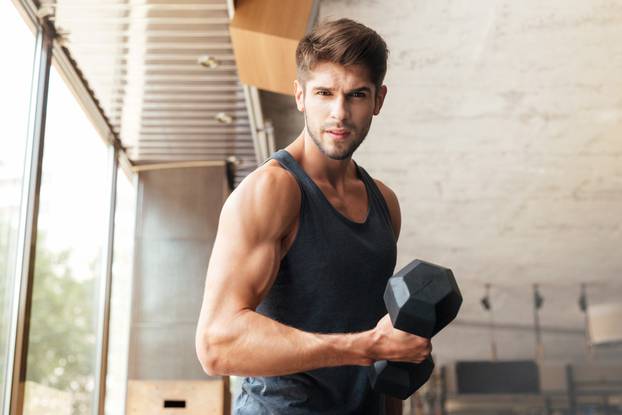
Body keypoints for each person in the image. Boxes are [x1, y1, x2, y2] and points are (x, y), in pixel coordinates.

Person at [195, 18, 432, 415]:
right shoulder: (271, 191)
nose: (339, 113)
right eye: (324, 93)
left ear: (378, 100)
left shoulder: (384, 204)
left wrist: (392, 350)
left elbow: (380, 341)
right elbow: (217, 344)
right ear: (300, 96)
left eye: (356, 95)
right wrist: (361, 347)